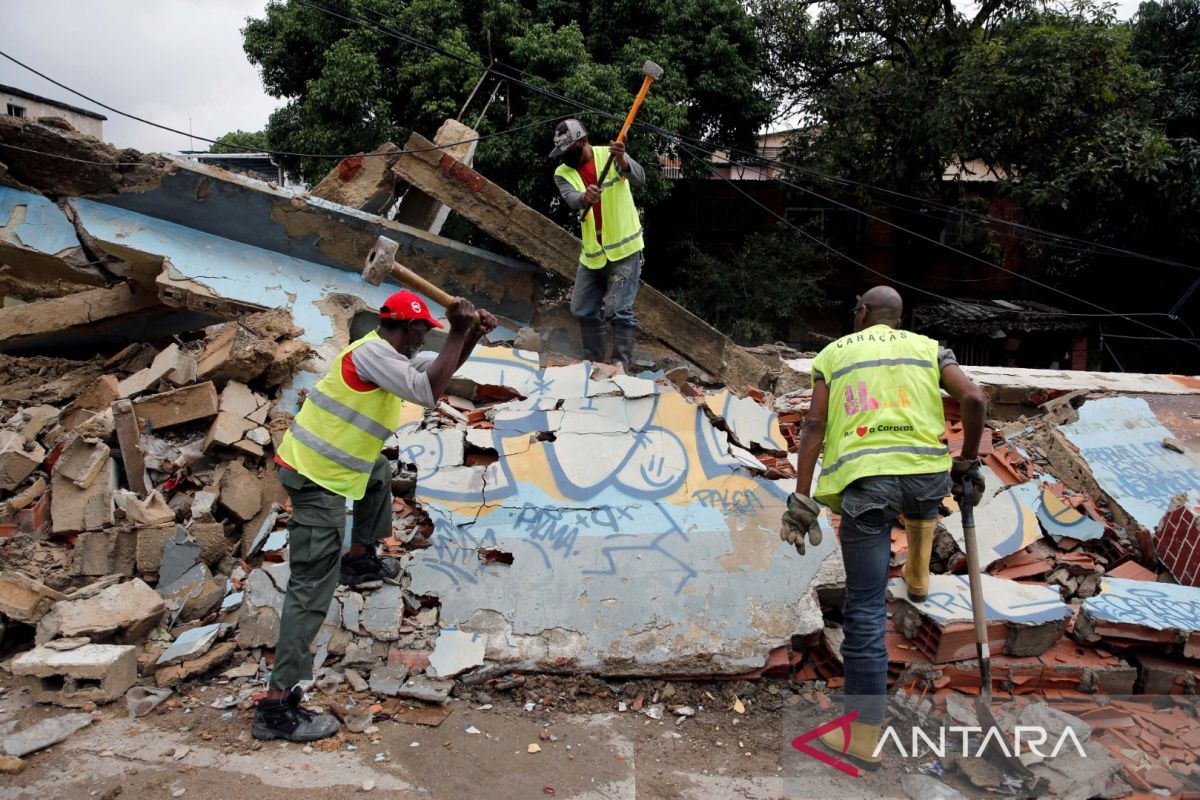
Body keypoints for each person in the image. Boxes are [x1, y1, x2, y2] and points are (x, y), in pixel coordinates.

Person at [253, 290, 497, 742]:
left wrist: (473, 337)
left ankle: (360, 556)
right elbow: (428, 392)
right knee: (310, 587)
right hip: (316, 476)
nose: (426, 340)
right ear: (408, 327)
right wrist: (461, 330)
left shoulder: (390, 353)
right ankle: (276, 706)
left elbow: (441, 372)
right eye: (424, 331)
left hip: (339, 467)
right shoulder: (374, 355)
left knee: (379, 470)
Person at [780, 286, 986, 770]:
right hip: (925, 475)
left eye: (856, 308)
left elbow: (813, 426)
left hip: (867, 485)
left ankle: (863, 735)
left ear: (864, 312)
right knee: (920, 499)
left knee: (867, 610)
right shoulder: (929, 349)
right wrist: (969, 461)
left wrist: (802, 494)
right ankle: (917, 575)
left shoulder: (834, 354)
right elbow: (974, 397)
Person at [550, 118, 646, 369]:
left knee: (618, 310)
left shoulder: (610, 155)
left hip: (624, 248)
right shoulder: (563, 172)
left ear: (583, 141)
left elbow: (640, 177)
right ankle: (594, 364)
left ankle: (619, 368)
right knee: (581, 308)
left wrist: (623, 162)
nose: (565, 158)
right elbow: (571, 198)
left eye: (569, 151)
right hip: (593, 253)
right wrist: (584, 197)